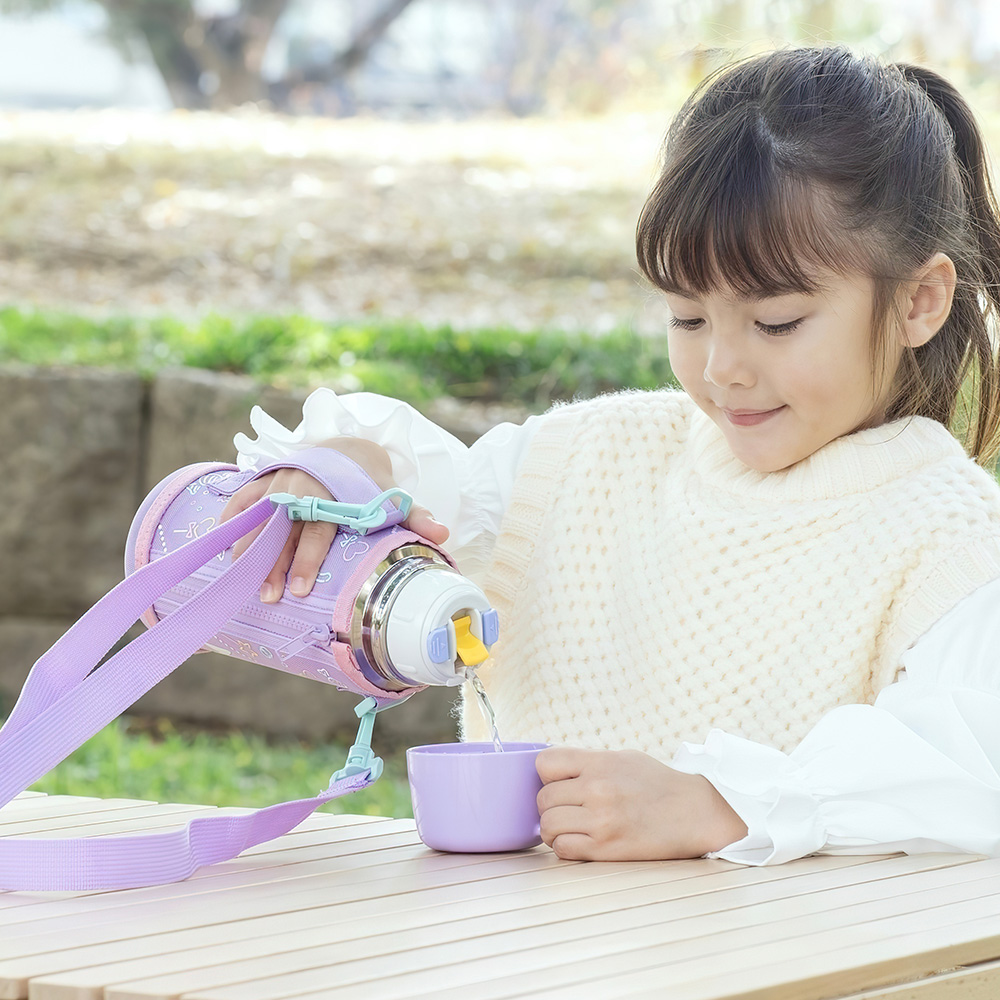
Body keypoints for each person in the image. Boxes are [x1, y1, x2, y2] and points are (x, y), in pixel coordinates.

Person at [221, 45, 1000, 866]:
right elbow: (428, 484)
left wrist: (724, 808)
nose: (721, 367)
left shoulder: (949, 537)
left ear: (919, 302)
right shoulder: (587, 463)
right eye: (687, 318)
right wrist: (342, 468)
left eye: (776, 323)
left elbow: (965, 771)